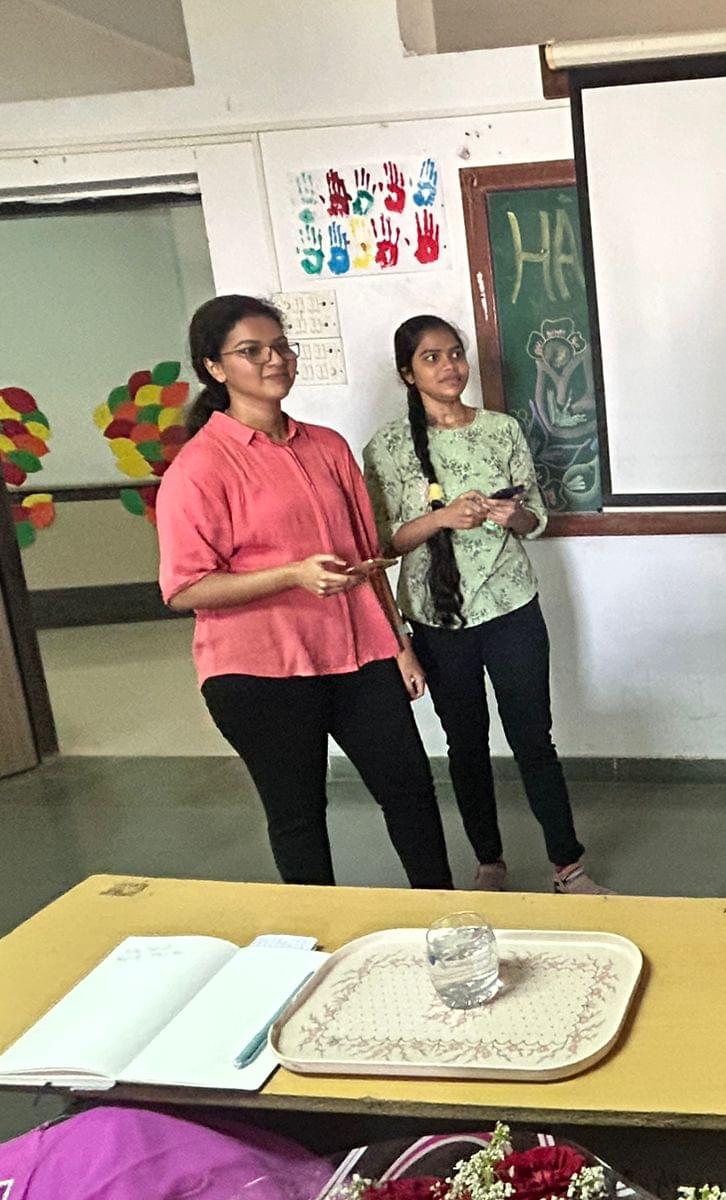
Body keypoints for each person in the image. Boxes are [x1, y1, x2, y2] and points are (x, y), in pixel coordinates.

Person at [157, 295, 453, 889]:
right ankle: (315, 938)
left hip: (359, 655)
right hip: (259, 672)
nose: (274, 360)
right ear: (214, 367)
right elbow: (184, 588)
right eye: (252, 351)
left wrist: (399, 644)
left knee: (411, 792)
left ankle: (443, 916)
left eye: (281, 347)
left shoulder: (327, 446)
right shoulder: (200, 467)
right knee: (298, 818)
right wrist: (292, 575)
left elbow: (368, 557)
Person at [363, 315, 608, 895]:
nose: (450, 366)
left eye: (455, 353)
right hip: (437, 616)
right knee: (465, 744)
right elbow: (381, 544)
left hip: (510, 605)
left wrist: (513, 515)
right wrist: (442, 518)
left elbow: (535, 518)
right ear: (407, 373)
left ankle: (568, 865)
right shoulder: (387, 448)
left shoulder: (502, 429)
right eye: (431, 358)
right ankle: (489, 861)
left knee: (533, 739)